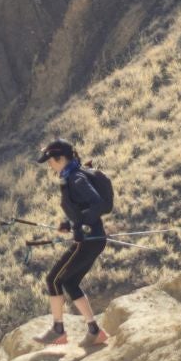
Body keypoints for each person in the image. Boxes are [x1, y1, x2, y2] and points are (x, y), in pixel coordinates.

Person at [34, 139, 110, 346]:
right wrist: (70, 223)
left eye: (50, 161)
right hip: (92, 238)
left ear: (60, 159)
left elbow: (98, 204)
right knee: (69, 282)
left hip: (89, 239)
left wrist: (79, 225)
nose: (49, 166)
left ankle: (59, 330)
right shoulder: (71, 177)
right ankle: (94, 330)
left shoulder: (76, 179)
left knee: (53, 280)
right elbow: (83, 209)